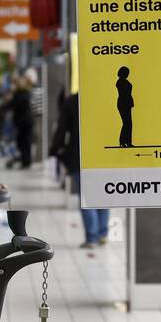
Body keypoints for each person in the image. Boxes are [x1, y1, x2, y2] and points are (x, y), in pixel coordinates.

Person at [50, 92, 110, 248]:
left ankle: (92, 237)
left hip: (79, 156)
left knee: (87, 197)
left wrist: (56, 150)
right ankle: (102, 234)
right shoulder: (104, 98)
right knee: (103, 194)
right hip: (104, 154)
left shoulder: (71, 101)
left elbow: (61, 130)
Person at [3, 74, 35, 168]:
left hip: (23, 122)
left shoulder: (19, 94)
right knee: (25, 142)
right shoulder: (25, 93)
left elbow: (12, 105)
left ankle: (26, 162)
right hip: (26, 121)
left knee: (22, 142)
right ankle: (26, 161)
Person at [116, 66, 134, 148]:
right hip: (124, 104)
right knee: (127, 123)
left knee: (127, 124)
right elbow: (125, 94)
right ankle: (125, 142)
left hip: (125, 104)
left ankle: (125, 142)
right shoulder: (121, 82)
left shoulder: (122, 81)